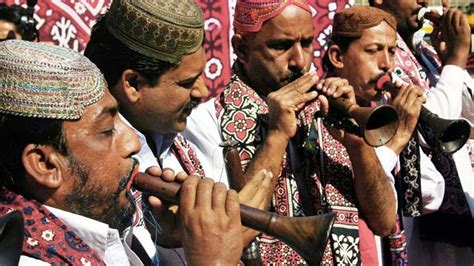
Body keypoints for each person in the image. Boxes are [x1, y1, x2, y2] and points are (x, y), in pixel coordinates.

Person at [173, 0, 397, 264]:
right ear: (241, 48)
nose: (300, 61)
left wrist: (357, 145)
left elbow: (384, 222)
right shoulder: (205, 123)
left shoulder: (325, 109)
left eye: (306, 43)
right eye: (281, 46)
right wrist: (276, 136)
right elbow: (231, 232)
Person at [0, 39, 243, 265]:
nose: (133, 143)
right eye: (106, 130)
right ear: (45, 165)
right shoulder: (27, 260)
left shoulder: (97, 229)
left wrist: (172, 243)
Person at [84, 0, 273, 262]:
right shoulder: (93, 172)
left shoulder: (168, 133)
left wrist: (173, 239)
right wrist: (225, 246)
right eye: (187, 82)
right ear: (133, 84)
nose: (203, 91)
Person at [369, 0, 474, 264]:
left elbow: (468, 112)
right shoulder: (378, 56)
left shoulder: (422, 49)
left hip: (454, 216)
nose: (425, 1)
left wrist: (446, 59)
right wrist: (456, 59)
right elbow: (430, 125)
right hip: (416, 215)